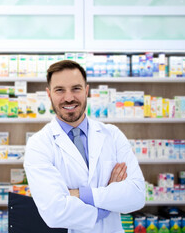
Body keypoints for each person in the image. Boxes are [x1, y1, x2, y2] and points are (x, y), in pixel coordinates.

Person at [24, 60, 145, 233]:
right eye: (60, 90)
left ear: (86, 91)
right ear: (49, 94)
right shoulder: (39, 144)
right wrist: (108, 200)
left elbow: (136, 196)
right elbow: (55, 212)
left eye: (76, 88)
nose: (69, 98)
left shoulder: (112, 135)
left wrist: (80, 194)